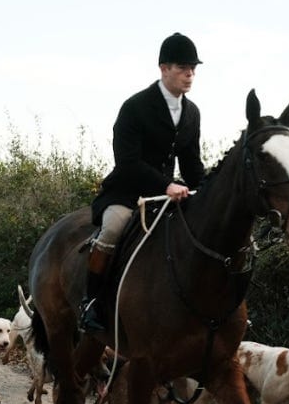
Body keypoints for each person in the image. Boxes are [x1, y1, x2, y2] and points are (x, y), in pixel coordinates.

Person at [79, 32, 206, 332]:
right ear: (164, 68)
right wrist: (166, 185)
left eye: (193, 68)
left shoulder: (192, 113)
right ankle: (91, 303)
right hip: (126, 192)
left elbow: (191, 164)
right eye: (183, 68)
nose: (190, 74)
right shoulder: (135, 107)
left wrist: (207, 191)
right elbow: (127, 162)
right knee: (113, 228)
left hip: (167, 195)